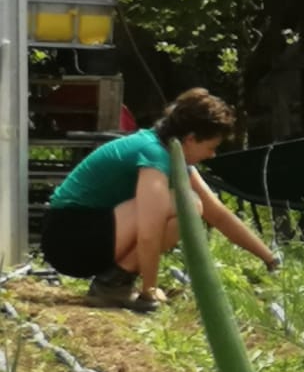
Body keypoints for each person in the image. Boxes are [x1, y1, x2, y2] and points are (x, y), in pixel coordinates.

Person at [40, 88, 279, 312]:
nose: (212, 154)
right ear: (191, 139)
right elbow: (149, 232)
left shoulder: (171, 152)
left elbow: (218, 214)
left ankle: (113, 283)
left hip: (88, 232)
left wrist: (270, 259)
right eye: (211, 146)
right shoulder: (153, 154)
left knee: (191, 204)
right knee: (188, 204)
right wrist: (149, 292)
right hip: (68, 239)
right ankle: (112, 285)